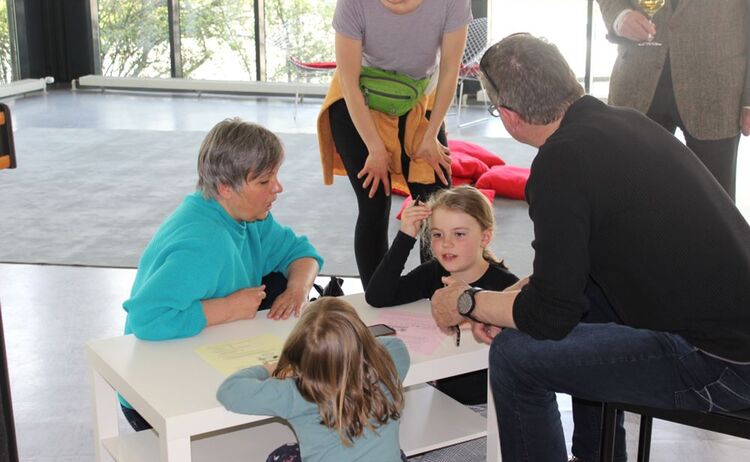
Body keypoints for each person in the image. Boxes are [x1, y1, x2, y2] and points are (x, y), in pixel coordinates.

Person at [430, 33, 750, 462]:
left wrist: (467, 302)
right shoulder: (625, 122)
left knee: (514, 358)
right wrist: (505, 303)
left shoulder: (561, 164)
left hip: (721, 366)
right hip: (734, 336)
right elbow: (573, 277)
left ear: (508, 116)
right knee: (590, 305)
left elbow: (549, 316)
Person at [121, 118, 324, 431]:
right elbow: (147, 318)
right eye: (264, 181)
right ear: (225, 187)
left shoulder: (250, 218)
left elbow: (303, 254)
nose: (278, 187)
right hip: (153, 401)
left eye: (275, 176)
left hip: (199, 357)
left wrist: (297, 290)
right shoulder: (203, 242)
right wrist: (228, 308)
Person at [317, 0, 472, 288]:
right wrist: (375, 148)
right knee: (374, 201)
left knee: (436, 203)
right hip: (358, 104)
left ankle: (437, 293)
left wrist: (430, 135)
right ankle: (377, 295)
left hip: (417, 100)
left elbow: (450, 70)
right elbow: (349, 81)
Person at [366, 185, 518, 405]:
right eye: (437, 234)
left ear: (485, 237)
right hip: (440, 395)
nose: (446, 243)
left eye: (459, 234)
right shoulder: (433, 273)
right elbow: (378, 296)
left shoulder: (506, 287)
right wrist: (406, 235)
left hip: (490, 403)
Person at [217, 297, 410, 462]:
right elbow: (393, 344)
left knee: (280, 455)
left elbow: (229, 391)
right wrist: (353, 349)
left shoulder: (299, 391)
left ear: (299, 353)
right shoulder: (387, 364)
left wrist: (270, 368)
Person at [597, 0, 750, 200]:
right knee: (629, 199)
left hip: (717, 92)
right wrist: (619, 16)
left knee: (715, 210)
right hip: (637, 81)